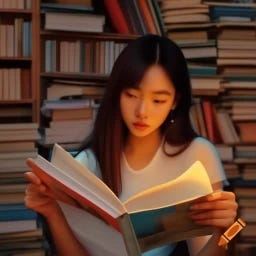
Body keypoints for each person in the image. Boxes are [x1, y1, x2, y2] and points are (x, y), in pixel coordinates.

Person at [24, 34, 238, 256]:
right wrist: (52, 212)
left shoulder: (197, 155)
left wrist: (223, 231)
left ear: (175, 101)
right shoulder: (86, 165)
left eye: (158, 100)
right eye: (132, 95)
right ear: (117, 94)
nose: (142, 112)